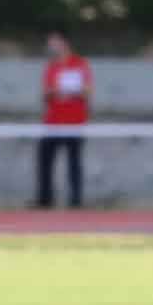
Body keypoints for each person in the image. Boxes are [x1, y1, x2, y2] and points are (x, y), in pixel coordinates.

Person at [34, 30, 90, 211]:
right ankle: (45, 199)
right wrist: (59, 90)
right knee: (45, 160)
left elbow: (87, 91)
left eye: (54, 42)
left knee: (74, 162)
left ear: (64, 43)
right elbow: (45, 93)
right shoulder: (51, 67)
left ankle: (75, 200)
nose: (51, 46)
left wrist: (67, 90)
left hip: (74, 121)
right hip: (53, 122)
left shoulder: (80, 64)